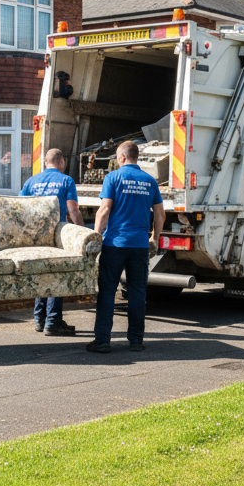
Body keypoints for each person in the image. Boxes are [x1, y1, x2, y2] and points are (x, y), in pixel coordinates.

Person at [90, 141, 165, 353]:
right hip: (139, 246)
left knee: (107, 291)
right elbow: (160, 214)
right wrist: (154, 238)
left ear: (122, 157)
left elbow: (104, 210)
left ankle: (102, 341)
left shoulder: (113, 177)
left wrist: (96, 237)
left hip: (115, 244)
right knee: (137, 293)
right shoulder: (149, 181)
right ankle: (136, 341)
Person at [19, 148, 82, 336]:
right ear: (61, 162)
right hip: (57, 235)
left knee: (42, 274)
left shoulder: (31, 181)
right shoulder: (66, 180)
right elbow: (73, 211)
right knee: (57, 274)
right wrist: (81, 232)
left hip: (36, 236)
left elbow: (20, 208)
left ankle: (40, 319)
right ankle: (53, 321)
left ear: (45, 162)